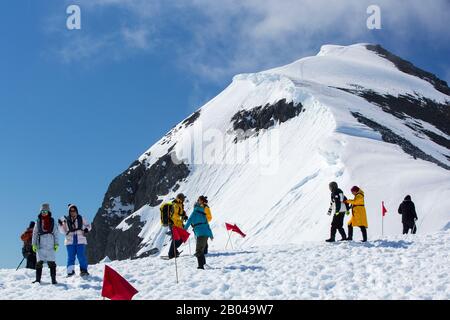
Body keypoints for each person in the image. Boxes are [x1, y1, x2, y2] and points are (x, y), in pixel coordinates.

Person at [58, 204, 92, 277]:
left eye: (74, 210)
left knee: (81, 256)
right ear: (69, 212)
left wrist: (86, 230)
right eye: (71, 211)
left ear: (76, 211)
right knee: (71, 257)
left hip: (80, 240)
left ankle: (84, 271)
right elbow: (63, 231)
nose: (72, 212)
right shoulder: (65, 220)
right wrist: (60, 225)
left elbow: (89, 225)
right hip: (70, 241)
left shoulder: (81, 218)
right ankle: (70, 272)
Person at [31, 203, 59, 284]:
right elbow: (35, 233)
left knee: (52, 263)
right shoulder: (38, 222)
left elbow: (56, 233)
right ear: (40, 212)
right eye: (42, 211)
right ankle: (37, 279)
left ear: (48, 212)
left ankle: (53, 279)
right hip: (40, 244)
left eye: (45, 211)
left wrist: (56, 244)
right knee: (39, 263)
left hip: (50, 243)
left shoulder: (52, 221)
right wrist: (34, 244)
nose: (44, 213)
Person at [184, 196, 213, 269]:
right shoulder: (203, 213)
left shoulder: (194, 213)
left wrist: (184, 230)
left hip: (200, 233)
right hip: (206, 233)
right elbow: (207, 225)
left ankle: (201, 266)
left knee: (198, 251)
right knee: (201, 250)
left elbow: (189, 222)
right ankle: (203, 264)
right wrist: (211, 235)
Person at [166, 193, 188, 259]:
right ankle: (171, 254)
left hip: (178, 224)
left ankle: (174, 251)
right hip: (173, 224)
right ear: (180, 198)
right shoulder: (175, 205)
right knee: (176, 239)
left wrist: (185, 216)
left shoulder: (180, 204)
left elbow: (182, 212)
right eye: (183, 198)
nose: (184, 199)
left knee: (183, 236)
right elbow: (174, 216)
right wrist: (181, 217)